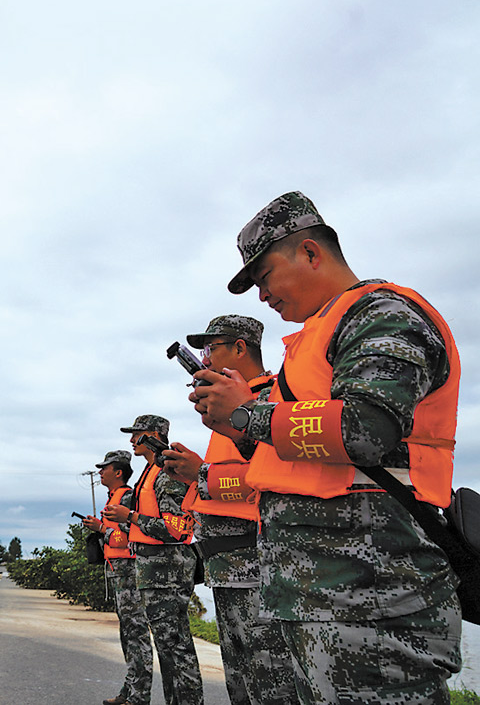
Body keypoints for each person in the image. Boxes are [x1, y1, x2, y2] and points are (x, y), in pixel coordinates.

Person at [191, 191, 461, 704]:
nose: (263, 296)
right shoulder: (313, 341)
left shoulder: (381, 313)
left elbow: (368, 427)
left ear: (311, 252)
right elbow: (294, 455)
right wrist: (240, 428)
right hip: (314, 598)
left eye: (264, 275)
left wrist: (247, 414)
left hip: (374, 598)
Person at [161, 315, 297, 705]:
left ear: (240, 348)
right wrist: (195, 472)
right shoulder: (224, 411)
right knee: (240, 684)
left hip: (257, 568)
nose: (203, 359)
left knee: (271, 683)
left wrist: (199, 475)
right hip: (226, 571)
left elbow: (269, 477)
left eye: (210, 348)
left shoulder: (272, 399)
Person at [104, 415, 203, 705]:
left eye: (137, 434)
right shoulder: (150, 472)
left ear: (153, 435)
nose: (132, 440)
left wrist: (130, 516)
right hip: (153, 572)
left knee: (177, 650)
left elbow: (177, 529)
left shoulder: (166, 472)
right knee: (167, 650)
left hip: (167, 572)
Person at [83, 450, 153, 705]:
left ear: (119, 472)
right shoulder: (114, 497)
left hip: (128, 571)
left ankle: (139, 696)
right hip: (118, 571)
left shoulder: (128, 497)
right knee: (128, 634)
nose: (100, 472)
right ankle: (130, 690)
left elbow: (130, 533)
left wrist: (101, 529)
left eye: (105, 467)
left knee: (136, 634)